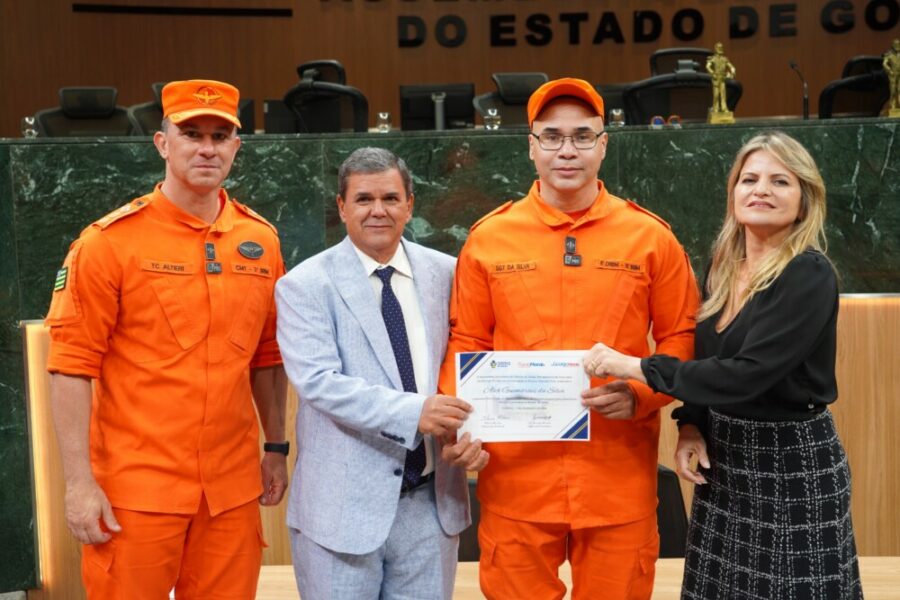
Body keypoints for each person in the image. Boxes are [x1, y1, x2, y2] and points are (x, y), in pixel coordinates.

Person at [438, 78, 700, 599]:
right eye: (552, 137)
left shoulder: (650, 237)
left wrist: (642, 392)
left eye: (583, 136)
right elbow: (467, 341)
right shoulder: (489, 237)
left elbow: (681, 337)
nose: (567, 150)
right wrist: (461, 426)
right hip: (516, 478)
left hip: (616, 479)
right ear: (531, 145)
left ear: (604, 144)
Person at [584, 131, 863, 599]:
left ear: (805, 199)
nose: (761, 190)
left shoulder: (808, 274)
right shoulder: (722, 264)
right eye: (749, 179)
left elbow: (745, 373)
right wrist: (691, 423)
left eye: (780, 182)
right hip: (725, 461)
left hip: (790, 463)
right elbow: (707, 355)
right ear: (733, 191)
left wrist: (636, 367)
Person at [45, 79, 289, 598]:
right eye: (191, 133)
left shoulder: (260, 240)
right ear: (162, 143)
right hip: (136, 490)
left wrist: (275, 447)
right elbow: (70, 366)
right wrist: (78, 484)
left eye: (221, 136)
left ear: (236, 148)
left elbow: (267, 357)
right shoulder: (108, 243)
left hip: (230, 490)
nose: (207, 148)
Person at [275, 147, 487, 600]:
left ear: (410, 204)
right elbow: (318, 382)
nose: (378, 210)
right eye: (363, 199)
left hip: (431, 508)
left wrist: (478, 431)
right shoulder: (304, 285)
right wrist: (417, 412)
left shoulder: (449, 273)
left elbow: (472, 362)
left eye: (390, 198)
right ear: (342, 207)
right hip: (340, 513)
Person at [706, 42, 736, 114]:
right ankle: (715, 109)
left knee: (723, 95)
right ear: (716, 49)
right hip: (716, 78)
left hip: (722, 78)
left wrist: (733, 72)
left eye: (721, 48)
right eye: (719, 48)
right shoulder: (713, 58)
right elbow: (708, 66)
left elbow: (731, 67)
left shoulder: (724, 59)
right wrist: (712, 73)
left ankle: (724, 109)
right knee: (716, 95)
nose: (720, 49)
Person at [884, 38, 900, 113]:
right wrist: (889, 70)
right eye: (896, 45)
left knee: (899, 89)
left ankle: (899, 104)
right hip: (893, 74)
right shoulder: (889, 55)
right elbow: (884, 64)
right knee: (893, 90)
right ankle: (893, 105)